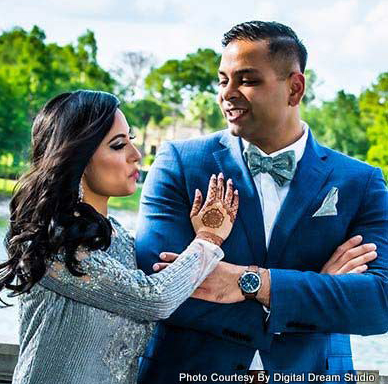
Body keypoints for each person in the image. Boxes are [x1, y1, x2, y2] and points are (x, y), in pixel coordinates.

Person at [136, 21, 388, 383]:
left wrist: (252, 283)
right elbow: (159, 289)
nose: (227, 93)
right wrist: (315, 292)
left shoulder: (360, 181)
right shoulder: (180, 163)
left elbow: (378, 303)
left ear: (295, 87)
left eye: (247, 80)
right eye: (223, 80)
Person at [0, 90, 240, 384]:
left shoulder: (120, 237)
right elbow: (153, 298)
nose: (136, 155)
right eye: (119, 146)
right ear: (78, 159)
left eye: (131, 139)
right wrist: (208, 239)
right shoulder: (50, 242)